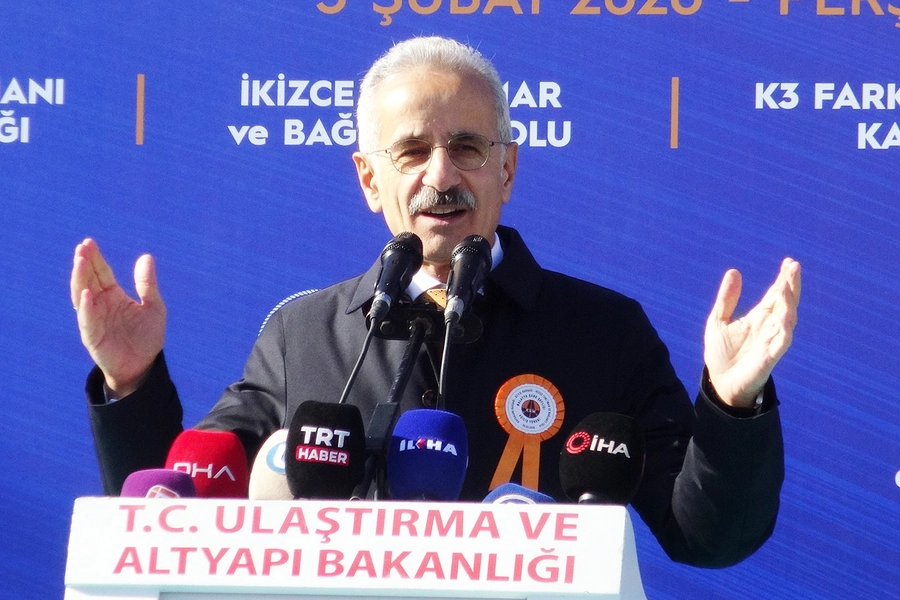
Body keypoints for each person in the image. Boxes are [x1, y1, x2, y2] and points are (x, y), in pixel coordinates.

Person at [71, 36, 801, 568]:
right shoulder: (303, 332)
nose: (441, 176)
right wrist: (132, 386)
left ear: (507, 169)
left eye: (469, 148)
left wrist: (732, 407)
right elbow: (177, 509)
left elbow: (708, 535)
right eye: (412, 151)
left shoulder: (603, 331)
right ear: (369, 179)